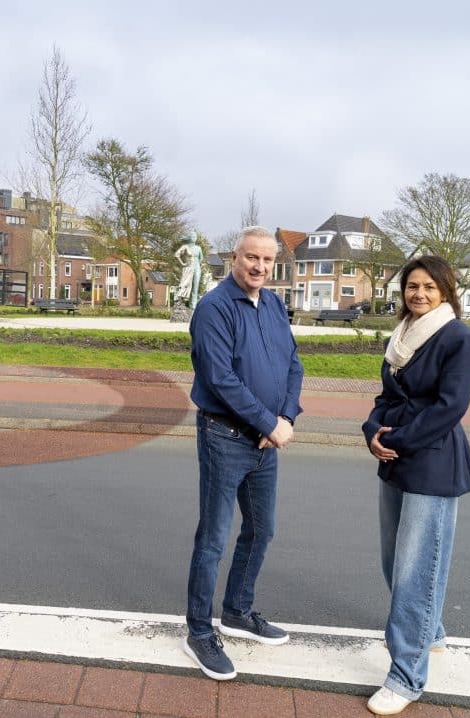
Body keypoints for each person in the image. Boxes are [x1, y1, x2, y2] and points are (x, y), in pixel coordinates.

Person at [183, 226, 303, 680]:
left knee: (261, 530)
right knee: (213, 539)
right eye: (252, 257)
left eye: (268, 260)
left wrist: (285, 417)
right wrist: (269, 423)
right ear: (234, 257)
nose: (259, 266)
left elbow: (293, 365)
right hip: (225, 437)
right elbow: (220, 379)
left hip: (265, 440)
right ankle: (199, 632)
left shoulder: (272, 304)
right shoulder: (214, 308)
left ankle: (236, 611)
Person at [362, 255, 470, 715]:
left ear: (446, 291)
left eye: (430, 286)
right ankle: (430, 633)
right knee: (394, 562)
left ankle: (406, 676)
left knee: (416, 571)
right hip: (395, 457)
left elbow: (451, 406)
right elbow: (386, 397)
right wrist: (371, 430)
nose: (420, 293)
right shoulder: (401, 337)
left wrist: (395, 440)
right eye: (413, 286)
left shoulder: (457, 338)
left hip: (431, 461)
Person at [174, 234, 203, 309]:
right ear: (189, 238)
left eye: (195, 237)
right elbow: (177, 254)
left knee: (195, 286)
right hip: (188, 268)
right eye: (193, 236)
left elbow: (201, 258)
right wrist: (183, 264)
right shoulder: (185, 246)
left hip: (197, 267)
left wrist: (197, 265)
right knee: (185, 284)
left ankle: (193, 305)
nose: (194, 238)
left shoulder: (198, 248)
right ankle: (181, 301)